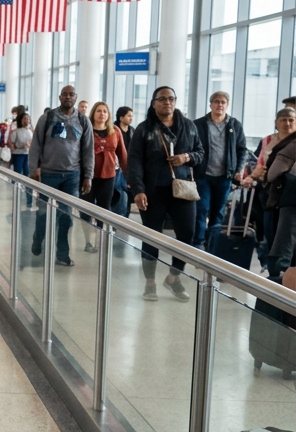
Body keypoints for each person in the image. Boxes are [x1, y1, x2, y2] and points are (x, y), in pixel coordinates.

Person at [127, 86, 204, 301]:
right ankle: (150, 282)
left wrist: (186, 157)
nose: (167, 102)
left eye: (171, 98)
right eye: (162, 99)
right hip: (153, 191)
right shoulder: (144, 129)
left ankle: (173, 277)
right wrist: (138, 190)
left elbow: (200, 153)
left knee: (186, 235)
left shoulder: (188, 126)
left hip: (182, 189)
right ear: (154, 103)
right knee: (151, 235)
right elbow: (134, 161)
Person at [29, 86, 93, 267]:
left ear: (76, 97)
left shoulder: (83, 121)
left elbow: (88, 151)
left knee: (66, 217)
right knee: (43, 213)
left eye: (71, 94)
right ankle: (38, 237)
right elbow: (36, 144)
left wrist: (88, 175)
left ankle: (62, 254)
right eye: (64, 94)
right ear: (59, 97)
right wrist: (34, 168)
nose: (68, 97)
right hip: (49, 174)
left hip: (72, 176)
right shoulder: (47, 118)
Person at [193, 92, 248, 250]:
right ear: (210, 104)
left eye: (223, 102)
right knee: (201, 210)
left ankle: (213, 244)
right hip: (203, 175)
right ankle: (198, 244)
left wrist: (239, 170)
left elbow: (242, 150)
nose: (220, 105)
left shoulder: (234, 125)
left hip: (225, 176)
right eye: (216, 102)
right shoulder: (199, 124)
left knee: (218, 213)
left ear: (227, 105)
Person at [252, 108, 296, 278]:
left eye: (291, 120)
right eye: (283, 120)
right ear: (276, 122)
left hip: (288, 195)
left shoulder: (293, 142)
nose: (287, 123)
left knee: (284, 239)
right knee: (271, 235)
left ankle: (281, 276)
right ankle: (274, 275)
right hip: (270, 193)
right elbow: (259, 162)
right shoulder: (268, 141)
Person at [80, 102, 128, 252]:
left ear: (109, 115)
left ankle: (101, 240)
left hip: (108, 175)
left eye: (105, 111)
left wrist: (129, 176)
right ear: (93, 113)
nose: (102, 114)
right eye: (99, 111)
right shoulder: (86, 129)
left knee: (104, 209)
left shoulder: (115, 131)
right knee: (86, 209)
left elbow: (122, 154)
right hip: (88, 176)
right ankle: (88, 241)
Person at [9, 111, 34, 207]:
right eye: (25, 119)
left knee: (27, 175)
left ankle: (29, 199)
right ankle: (16, 194)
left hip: (27, 154)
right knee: (17, 173)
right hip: (18, 154)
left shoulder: (30, 131)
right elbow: (12, 144)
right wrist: (17, 147)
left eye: (28, 119)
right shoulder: (16, 132)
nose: (27, 120)